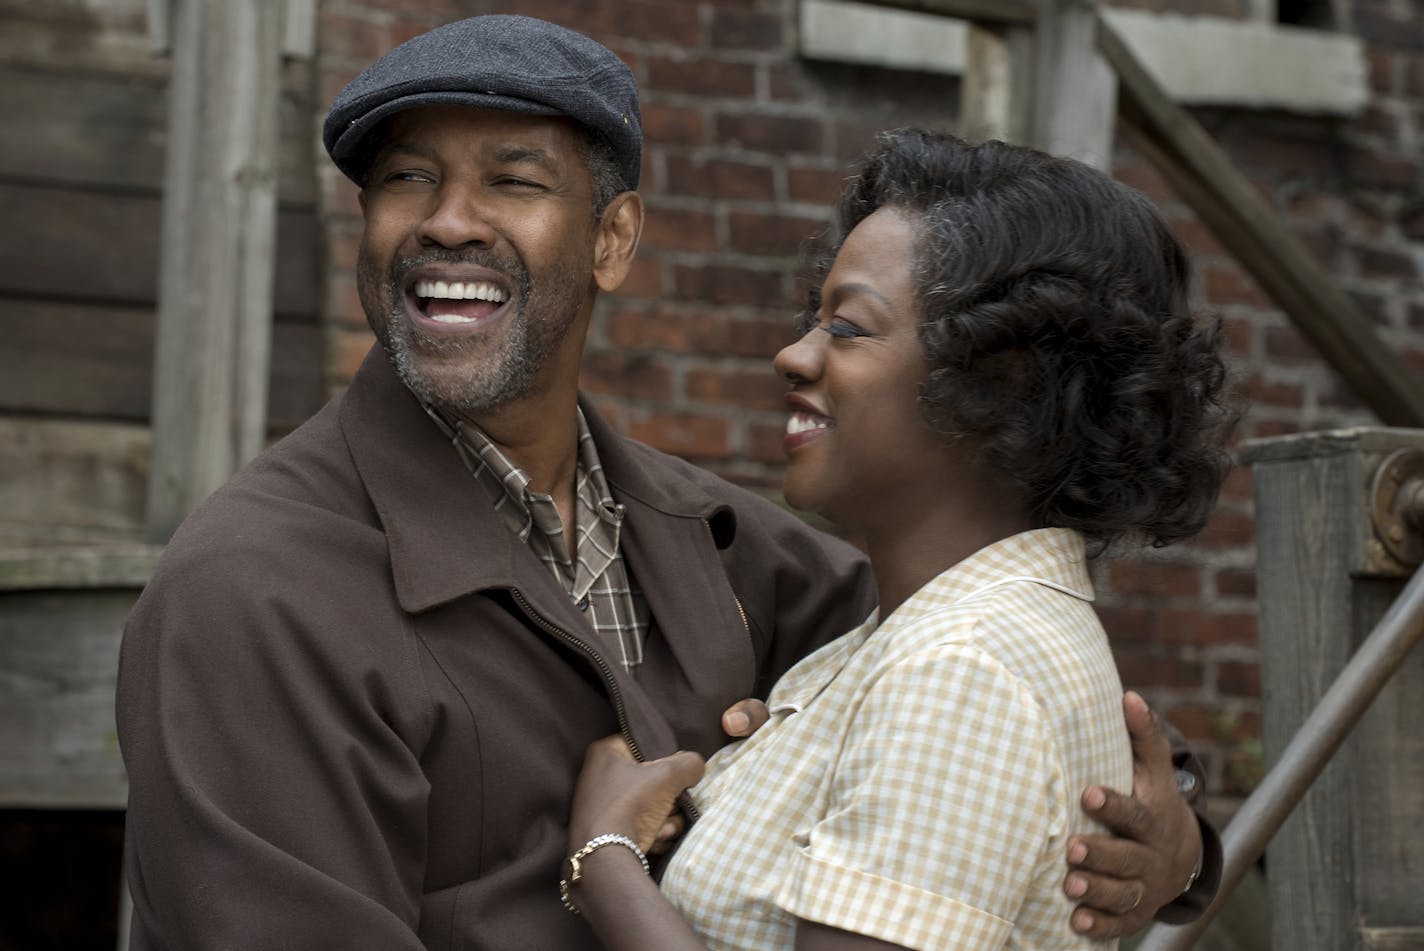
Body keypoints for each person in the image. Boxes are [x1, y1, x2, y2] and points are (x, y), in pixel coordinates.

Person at [116, 16, 1217, 951]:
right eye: (407, 178)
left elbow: (971, 675)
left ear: (612, 240)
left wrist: (1171, 832)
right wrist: (602, 865)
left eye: (511, 178)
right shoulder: (254, 594)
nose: (447, 220)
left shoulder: (718, 543)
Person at [561, 129, 1235, 949]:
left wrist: (604, 859)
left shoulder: (964, 667)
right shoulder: (909, 635)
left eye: (846, 328)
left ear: (997, 381)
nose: (793, 354)